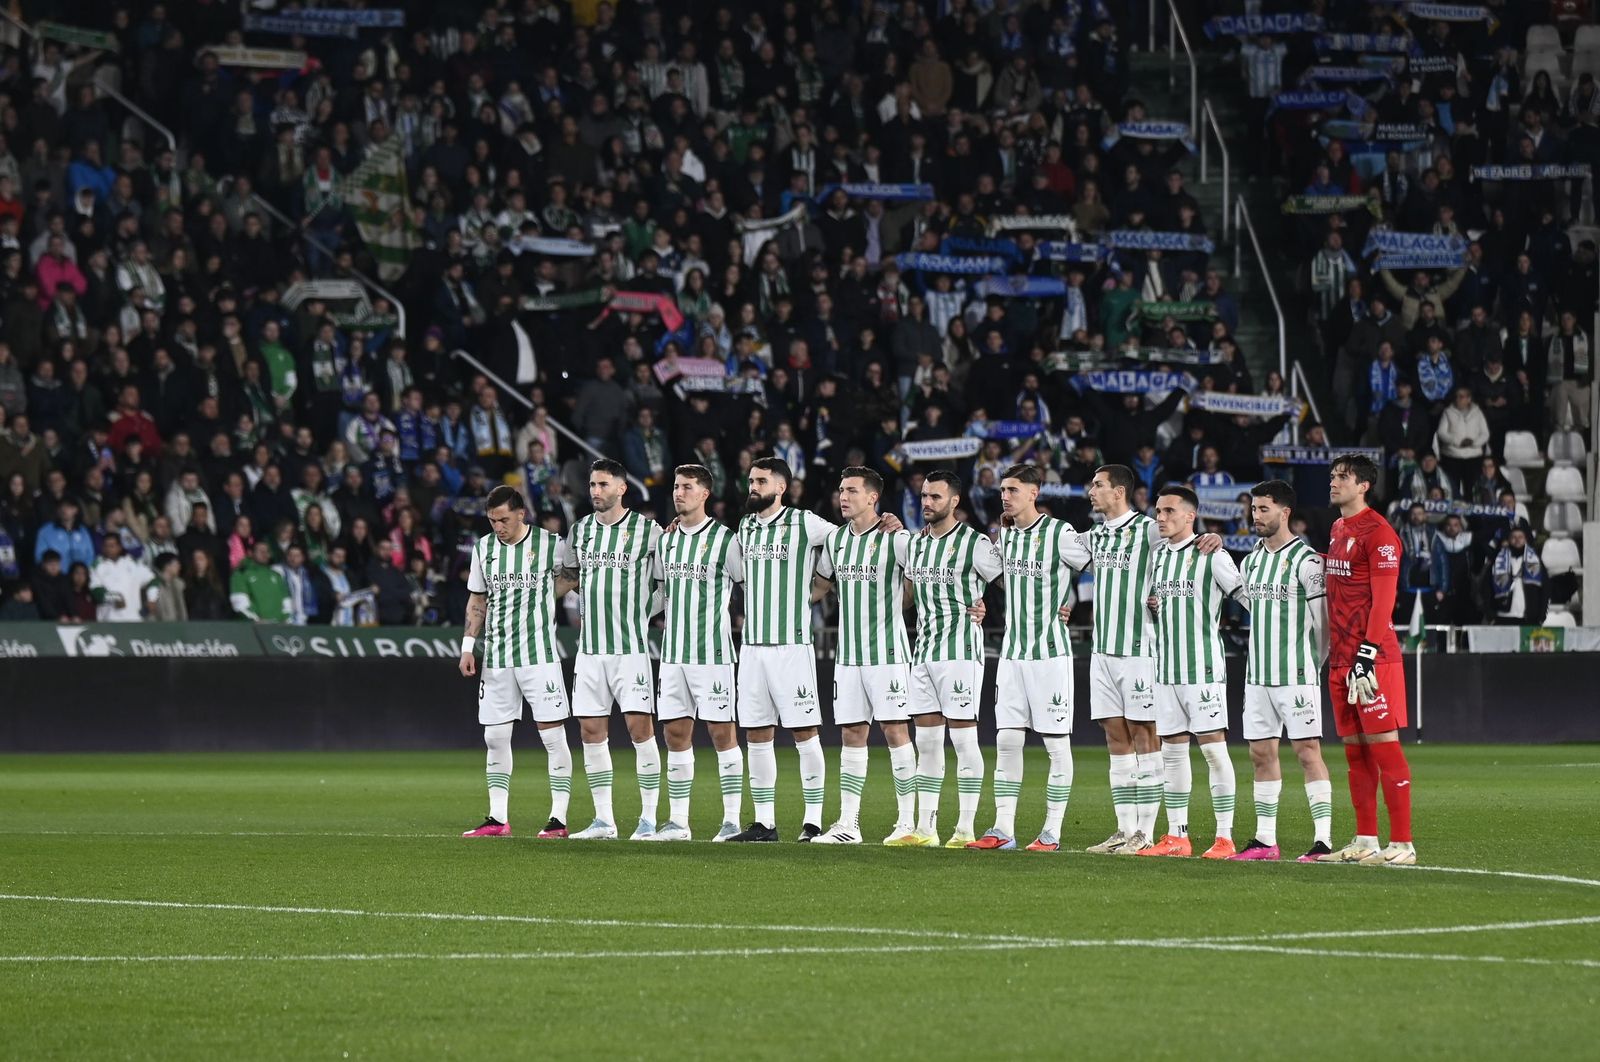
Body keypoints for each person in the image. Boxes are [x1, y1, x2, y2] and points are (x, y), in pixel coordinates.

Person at [728, 456, 893, 842]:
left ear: (781, 488)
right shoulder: (745, 527)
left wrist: (885, 522)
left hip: (791, 646)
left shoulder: (805, 523)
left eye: (761, 481)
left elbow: (850, 536)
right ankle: (764, 823)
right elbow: (737, 575)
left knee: (805, 733)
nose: (753, 486)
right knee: (756, 734)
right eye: (751, 480)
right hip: (752, 647)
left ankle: (813, 821)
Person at [1062, 465, 1218, 855]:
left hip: (1140, 652)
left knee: (1146, 737)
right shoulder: (1093, 536)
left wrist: (1211, 537)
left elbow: (1186, 537)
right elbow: (1048, 550)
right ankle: (1124, 828)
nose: (1090, 491)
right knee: (1115, 738)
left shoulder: (1149, 529)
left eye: (1097, 485)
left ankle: (1145, 832)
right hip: (1102, 652)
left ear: (1118, 492)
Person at [968, 463, 1079, 852]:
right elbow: (996, 577)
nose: (1005, 496)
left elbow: (1101, 567)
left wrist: (1073, 602)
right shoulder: (1008, 536)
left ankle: (1052, 832)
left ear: (1034, 493)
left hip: (1050, 656)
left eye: (1013, 490)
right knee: (1008, 742)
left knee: (1055, 745)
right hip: (1013, 655)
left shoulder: (1060, 533)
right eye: (1003, 490)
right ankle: (1002, 829)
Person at [556, 459, 664, 841]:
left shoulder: (648, 532)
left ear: (622, 488)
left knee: (639, 730)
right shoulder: (580, 531)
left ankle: (648, 818)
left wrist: (646, 611)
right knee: (590, 730)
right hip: (589, 651)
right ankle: (604, 820)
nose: (595, 491)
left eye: (603, 484)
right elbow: (569, 578)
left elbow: (667, 582)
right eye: (591, 485)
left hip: (630, 650)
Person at [458, 485, 573, 839]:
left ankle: (558, 818)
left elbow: (575, 576)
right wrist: (467, 646)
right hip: (497, 657)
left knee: (552, 737)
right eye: (492, 520)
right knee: (494, 736)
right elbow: (477, 599)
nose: (498, 527)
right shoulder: (484, 549)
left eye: (504, 519)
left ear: (521, 514)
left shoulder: (550, 544)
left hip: (539, 657)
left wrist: (544, 597)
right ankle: (497, 818)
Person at [1228, 482, 1335, 862]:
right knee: (1260, 754)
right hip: (1257, 678)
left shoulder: (1308, 562)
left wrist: (1312, 665)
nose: (1255, 517)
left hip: (1296, 675)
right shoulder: (1252, 559)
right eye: (1253, 509)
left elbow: (1323, 627)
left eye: (1263, 510)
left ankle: (1322, 841)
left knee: (1307, 752)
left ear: (1285, 513)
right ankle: (1265, 841)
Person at [812, 467, 918, 845]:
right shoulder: (837, 540)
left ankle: (907, 823)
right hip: (848, 656)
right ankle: (848, 825)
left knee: (894, 731)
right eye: (841, 490)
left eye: (852, 491)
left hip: (887, 653)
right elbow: (820, 586)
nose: (843, 496)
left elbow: (920, 582)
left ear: (873, 497)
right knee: (852, 733)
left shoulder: (896, 538)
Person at [1320, 453, 1415, 866]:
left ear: (1364, 486)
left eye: (1343, 477)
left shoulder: (1380, 533)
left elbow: (1384, 601)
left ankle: (1404, 843)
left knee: (1384, 749)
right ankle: (1366, 839)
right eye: (1333, 476)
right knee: (1355, 754)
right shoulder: (1338, 528)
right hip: (1341, 659)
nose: (1334, 482)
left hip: (1372, 660)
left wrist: (1367, 654)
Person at [1138, 485, 1243, 860]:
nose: (1161, 518)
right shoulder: (1159, 556)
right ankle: (1177, 836)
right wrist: (1154, 605)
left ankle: (1225, 837)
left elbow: (1246, 596)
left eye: (1168, 511)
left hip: (1201, 671)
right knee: (1173, 755)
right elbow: (1159, 604)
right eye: (1158, 512)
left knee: (1214, 753)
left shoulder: (1211, 554)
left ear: (1190, 516)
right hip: (1166, 672)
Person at [902, 469, 1002, 848]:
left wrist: (986, 609)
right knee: (926, 744)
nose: (927, 503)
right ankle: (926, 829)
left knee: (963, 742)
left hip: (960, 653)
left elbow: (1008, 580)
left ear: (954, 502)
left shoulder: (974, 544)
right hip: (924, 652)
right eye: (924, 496)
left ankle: (964, 828)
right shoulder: (916, 544)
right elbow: (909, 596)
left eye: (935, 497)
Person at [651, 464, 745, 841]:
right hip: (673, 654)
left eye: (687, 487)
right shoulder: (667, 540)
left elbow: (746, 586)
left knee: (723, 734)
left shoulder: (726, 540)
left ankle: (732, 820)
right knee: (675, 734)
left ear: (705, 494)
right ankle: (678, 822)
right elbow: (660, 592)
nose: (679, 493)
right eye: (676, 486)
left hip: (713, 654)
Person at [89, 534, 150, 622]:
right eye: (106, 546)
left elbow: (151, 579)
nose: (108, 549)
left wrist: (152, 599)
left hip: (134, 619)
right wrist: (116, 597)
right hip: (109, 620)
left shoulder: (131, 563)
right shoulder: (96, 565)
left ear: (119, 547)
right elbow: (96, 592)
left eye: (112, 546)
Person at [229, 540, 291, 622]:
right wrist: (256, 620)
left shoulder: (276, 575)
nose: (264, 554)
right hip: (253, 628)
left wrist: (286, 620)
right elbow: (239, 603)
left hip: (279, 627)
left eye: (267, 551)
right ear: (251, 553)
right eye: (260, 551)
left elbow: (286, 602)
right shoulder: (241, 574)